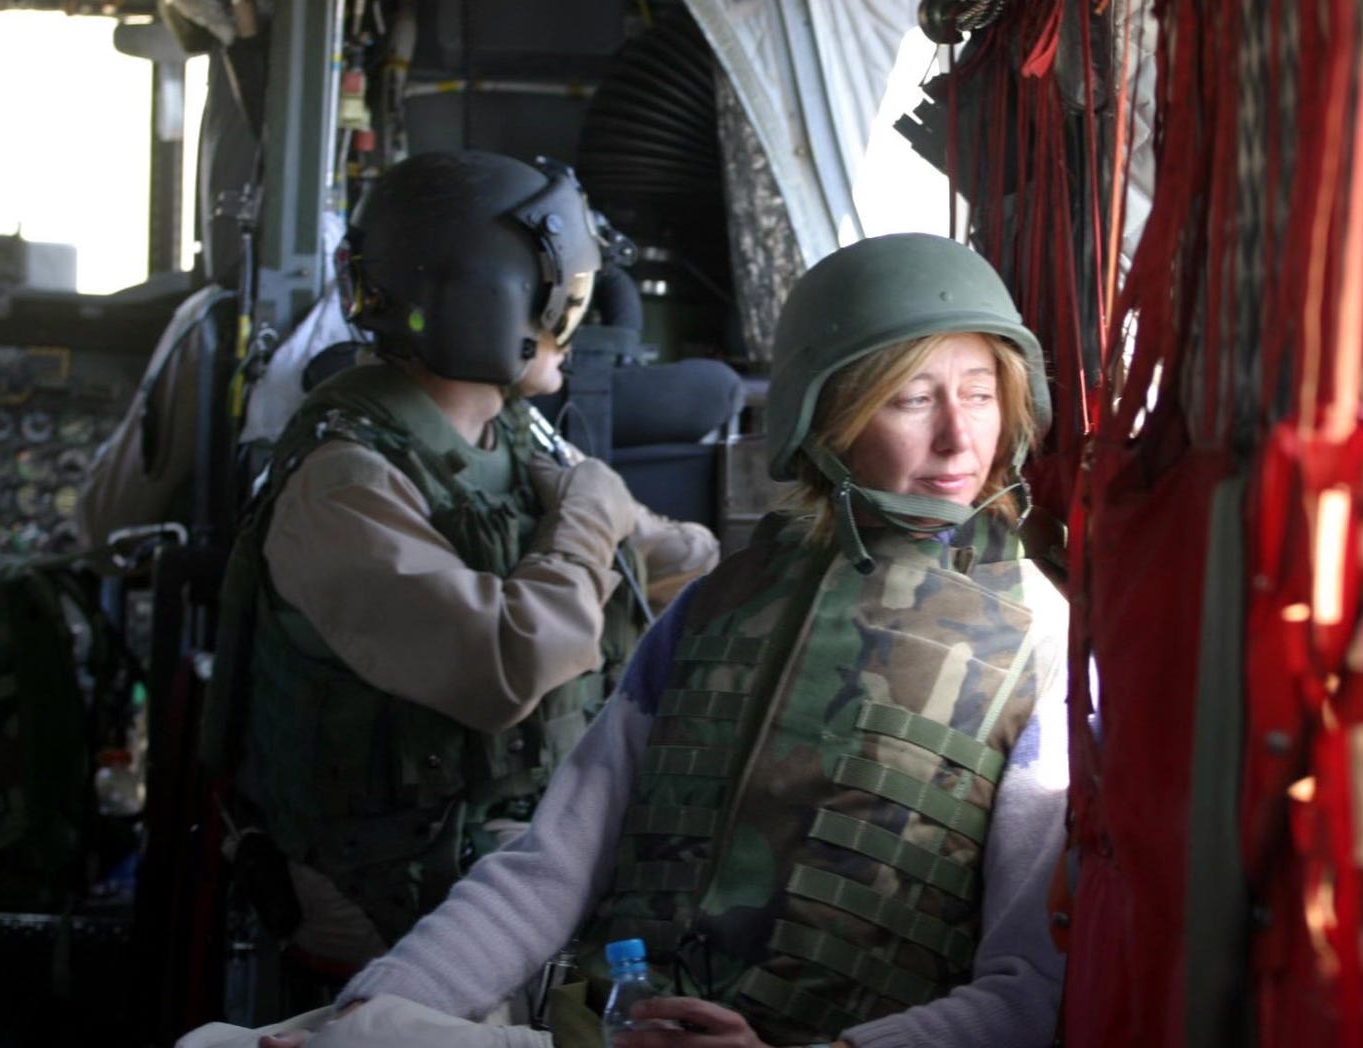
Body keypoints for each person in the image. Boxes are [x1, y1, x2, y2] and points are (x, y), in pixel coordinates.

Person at [239, 231, 1071, 1048]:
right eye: (913, 399)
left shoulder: (1038, 638)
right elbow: (549, 869)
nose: (960, 439)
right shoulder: (720, 607)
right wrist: (373, 1010)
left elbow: (1028, 986)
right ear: (827, 417)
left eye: (981, 394)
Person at [202, 149, 721, 976]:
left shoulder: (501, 431)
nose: (573, 318)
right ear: (498, 302)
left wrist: (706, 562)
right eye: (562, 296)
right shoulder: (345, 483)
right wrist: (588, 519)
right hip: (388, 882)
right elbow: (506, 666)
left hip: (496, 841)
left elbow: (666, 555)